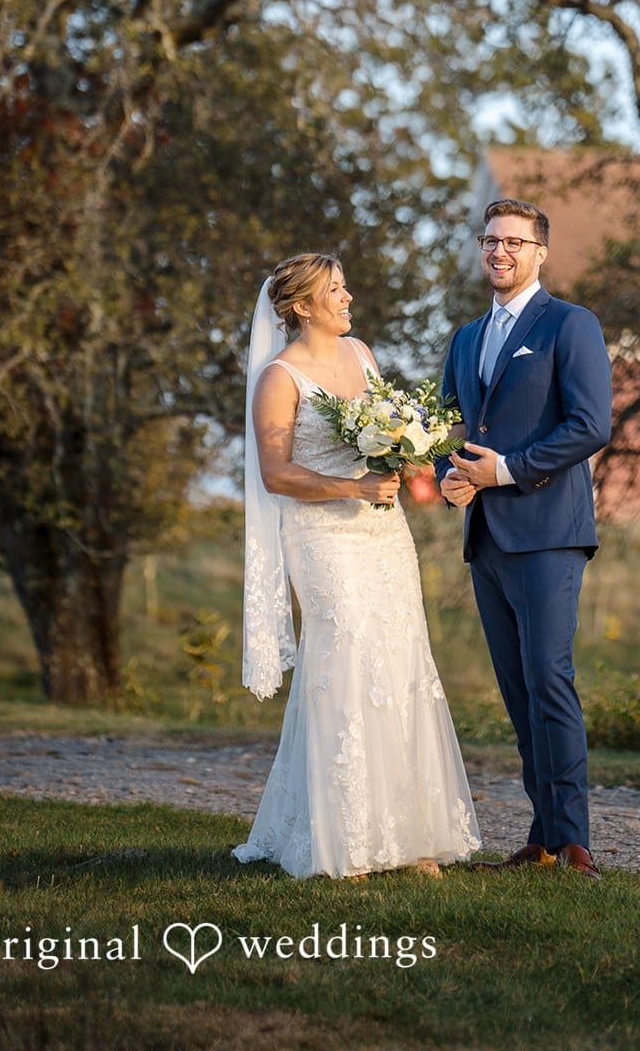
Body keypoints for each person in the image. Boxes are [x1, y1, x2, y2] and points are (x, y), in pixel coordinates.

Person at [232, 252, 480, 879]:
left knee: (399, 662)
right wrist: (352, 489)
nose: (347, 298)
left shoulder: (362, 354)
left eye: (345, 286)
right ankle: (344, 837)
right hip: (322, 538)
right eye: (333, 290)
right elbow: (275, 473)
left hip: (382, 534)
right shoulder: (279, 378)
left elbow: (386, 431)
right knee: (343, 662)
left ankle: (410, 834)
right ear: (300, 307)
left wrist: (405, 451)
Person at [437, 200, 611, 879]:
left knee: (549, 679)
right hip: (485, 540)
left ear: (539, 252)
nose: (499, 251)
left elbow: (590, 425)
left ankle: (572, 841)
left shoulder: (570, 324)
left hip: (547, 534)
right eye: (490, 240)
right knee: (517, 692)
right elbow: (450, 432)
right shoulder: (464, 338)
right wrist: (448, 478)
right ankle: (541, 838)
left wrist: (503, 471)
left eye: (513, 241)